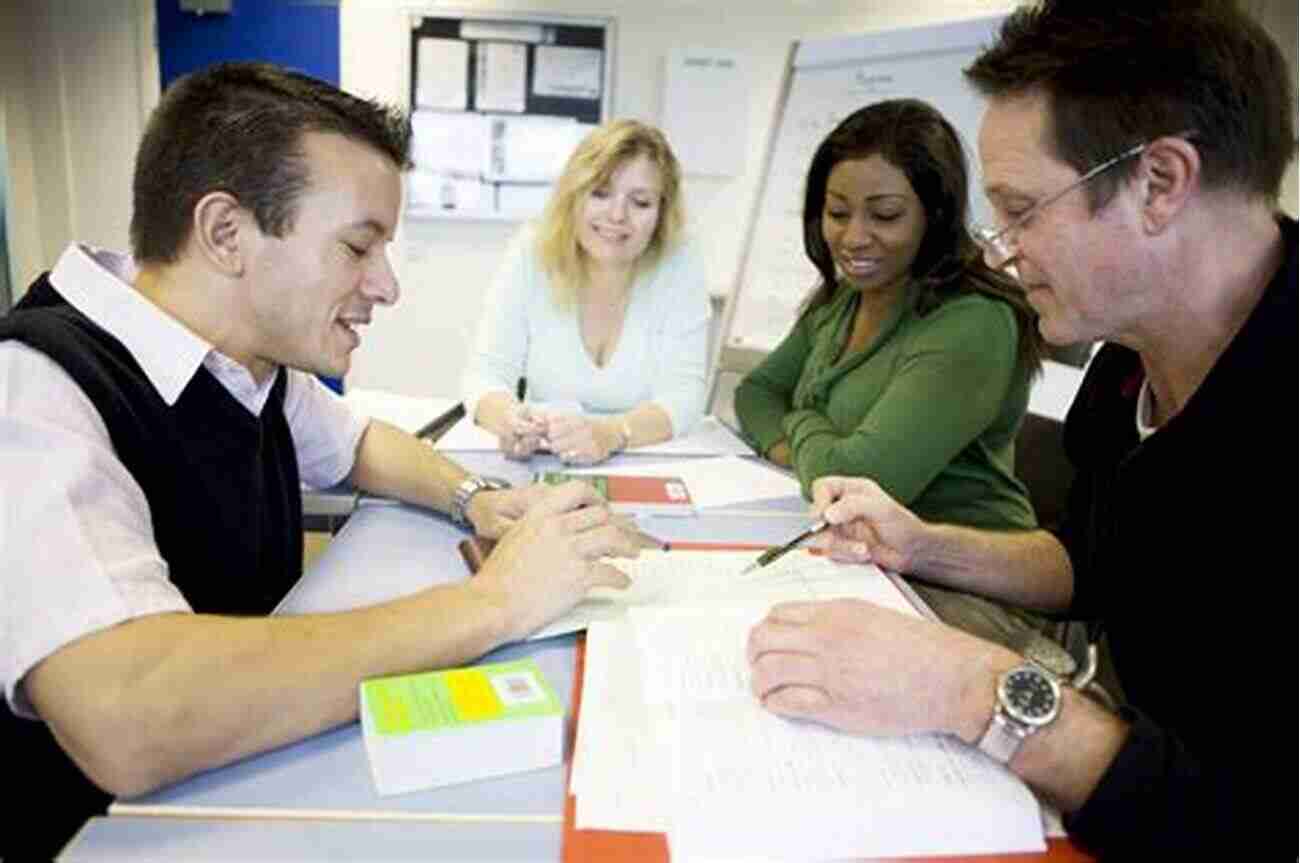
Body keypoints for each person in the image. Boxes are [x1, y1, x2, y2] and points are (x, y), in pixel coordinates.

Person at [0, 62, 640, 859]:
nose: (388, 285)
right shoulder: (32, 393)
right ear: (226, 232)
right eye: (357, 247)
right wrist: (495, 604)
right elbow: (127, 710)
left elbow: (360, 443)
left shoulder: (245, 363)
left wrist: (475, 498)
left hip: (251, 777)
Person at [745, 1, 1295, 857]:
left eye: (1024, 209)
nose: (1000, 251)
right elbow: (1092, 561)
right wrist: (921, 545)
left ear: (1160, 182)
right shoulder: (1125, 364)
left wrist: (978, 688)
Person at [734, 98, 1051, 649]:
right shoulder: (841, 300)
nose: (854, 237)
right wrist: (806, 454)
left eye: (884, 215)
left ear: (936, 215)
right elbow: (755, 394)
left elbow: (861, 481)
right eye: (837, 213)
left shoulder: (972, 322)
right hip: (857, 560)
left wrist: (802, 420)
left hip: (960, 590)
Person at [461, 119, 710, 466]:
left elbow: (685, 396)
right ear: (573, 196)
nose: (617, 215)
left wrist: (613, 433)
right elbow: (484, 376)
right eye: (600, 193)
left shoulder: (678, 263)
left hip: (643, 460)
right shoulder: (532, 253)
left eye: (640, 202)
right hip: (544, 459)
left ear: (662, 214)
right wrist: (509, 420)